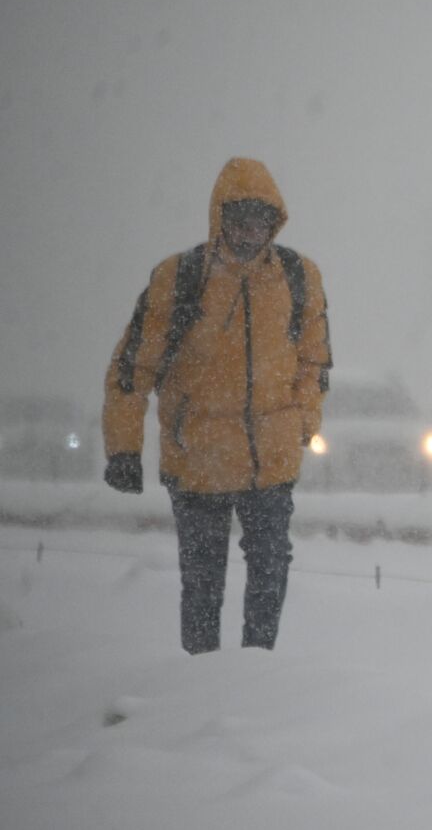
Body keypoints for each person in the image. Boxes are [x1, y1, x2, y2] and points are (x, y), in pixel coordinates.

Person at [102, 158, 331, 655]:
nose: (251, 230)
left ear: (276, 221)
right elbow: (131, 370)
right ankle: (200, 683)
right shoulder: (178, 278)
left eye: (261, 219)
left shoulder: (299, 277)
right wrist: (123, 449)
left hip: (270, 462)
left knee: (270, 573)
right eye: (240, 217)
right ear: (219, 217)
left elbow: (315, 363)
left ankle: (256, 674)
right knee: (203, 585)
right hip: (197, 460)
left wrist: (302, 422)